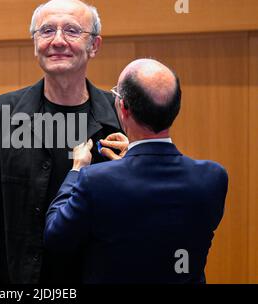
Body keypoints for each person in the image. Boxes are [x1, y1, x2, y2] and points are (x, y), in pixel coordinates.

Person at [0, 0, 124, 283]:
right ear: (35, 44)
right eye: (47, 31)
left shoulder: (121, 113)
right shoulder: (2, 114)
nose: (58, 41)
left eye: (72, 31)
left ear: (94, 46)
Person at [44, 59, 229, 283]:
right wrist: (131, 158)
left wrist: (76, 170)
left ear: (123, 107)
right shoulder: (213, 178)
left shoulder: (94, 181)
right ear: (176, 108)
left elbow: (56, 237)